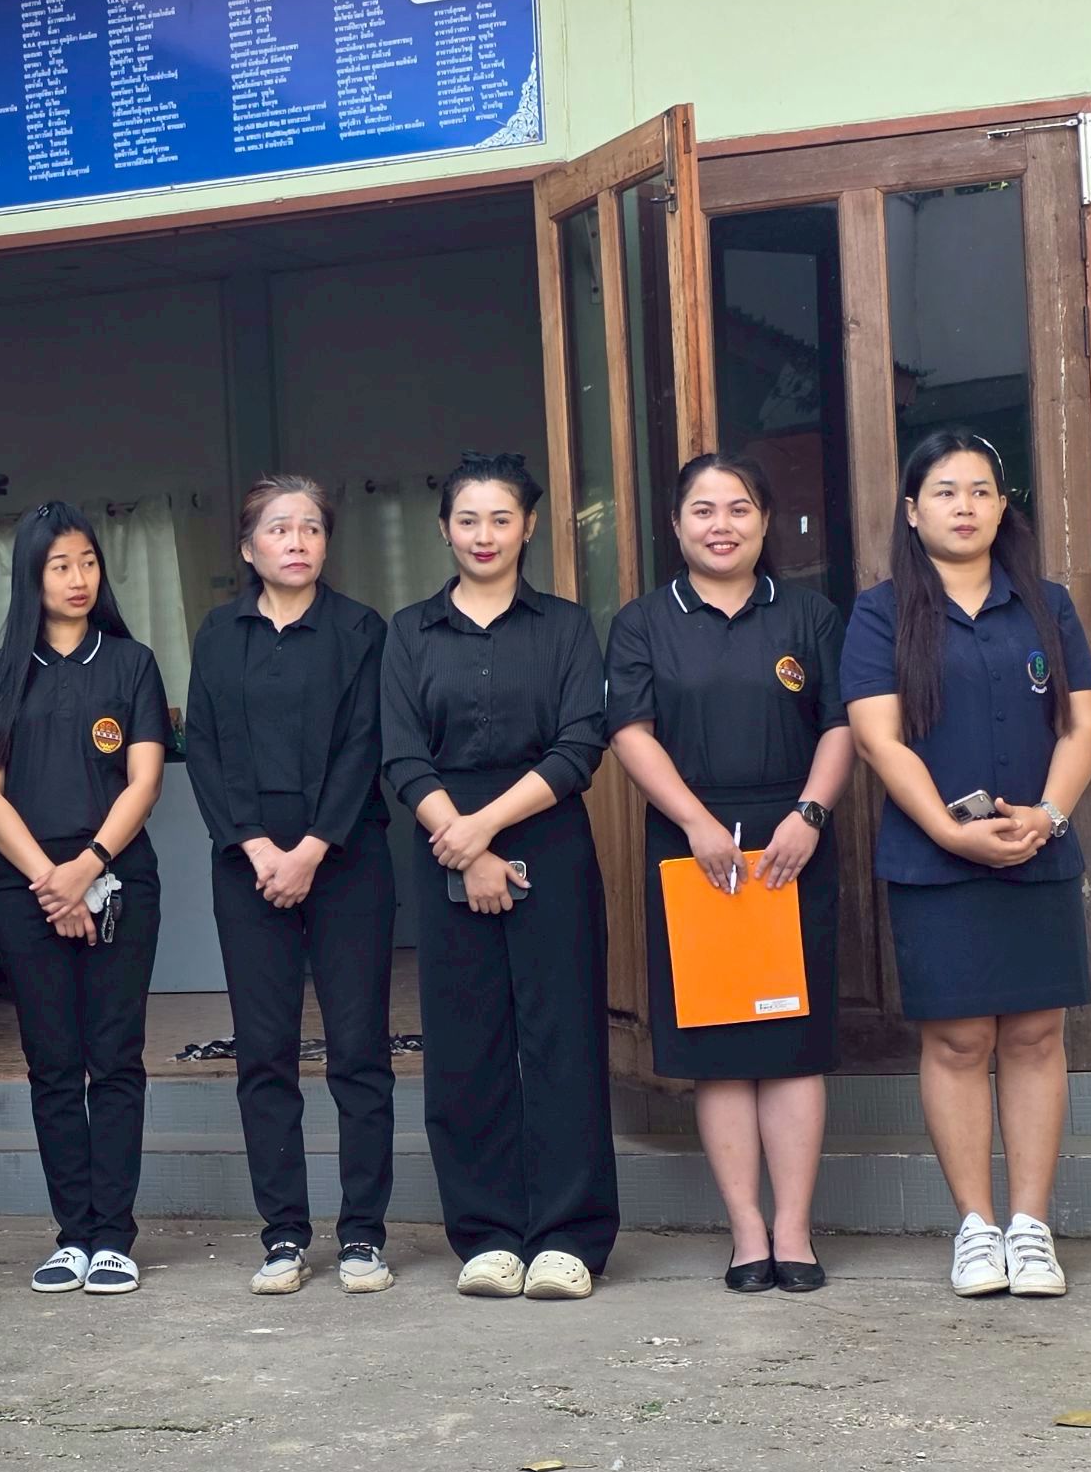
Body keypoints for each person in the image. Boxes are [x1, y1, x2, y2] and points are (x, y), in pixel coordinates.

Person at [842, 429, 1091, 1299]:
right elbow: (878, 738)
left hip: (1035, 848)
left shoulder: (1045, 604)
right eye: (946, 492)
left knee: (1034, 1034)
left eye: (982, 490)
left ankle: (1031, 1226)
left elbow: (1084, 721)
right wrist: (949, 833)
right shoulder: (882, 612)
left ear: (1002, 506)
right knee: (958, 1040)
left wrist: (1050, 814)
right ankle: (976, 1228)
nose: (965, 506)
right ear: (913, 512)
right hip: (936, 862)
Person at [607, 453, 854, 1294]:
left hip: (792, 844)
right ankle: (747, 1229)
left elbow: (841, 722)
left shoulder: (809, 614)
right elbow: (631, 731)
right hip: (694, 847)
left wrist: (810, 814)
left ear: (764, 520)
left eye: (739, 508)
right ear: (677, 526)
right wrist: (695, 822)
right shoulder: (644, 622)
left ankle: (794, 1229)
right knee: (719, 1047)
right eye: (703, 510)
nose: (722, 525)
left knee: (791, 1047)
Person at [381, 451, 615, 1300]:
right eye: (468, 519)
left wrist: (484, 830)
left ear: (530, 526)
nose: (484, 534)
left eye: (502, 518)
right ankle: (487, 1235)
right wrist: (466, 844)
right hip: (444, 843)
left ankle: (567, 1237)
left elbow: (580, 743)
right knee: (465, 1044)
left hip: (547, 839)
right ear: (445, 528)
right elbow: (402, 753)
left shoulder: (565, 626)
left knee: (562, 1039)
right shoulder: (410, 631)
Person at [185, 475, 397, 1298]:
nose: (298, 540)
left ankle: (363, 1232)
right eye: (279, 528)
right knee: (264, 1051)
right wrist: (255, 845)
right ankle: (282, 1233)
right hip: (248, 865)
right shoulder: (218, 632)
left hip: (346, 856)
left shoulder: (361, 629)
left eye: (311, 527)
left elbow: (365, 743)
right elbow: (205, 745)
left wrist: (310, 848)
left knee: (358, 1050)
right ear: (248, 547)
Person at [0, 502, 170, 1297]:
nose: (78, 578)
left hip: (117, 881)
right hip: (27, 890)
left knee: (114, 1058)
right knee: (52, 1063)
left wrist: (88, 866)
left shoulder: (132, 663)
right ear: (31, 577)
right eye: (59, 565)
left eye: (87, 562)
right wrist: (52, 880)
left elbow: (144, 780)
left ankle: (113, 1236)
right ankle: (72, 1235)